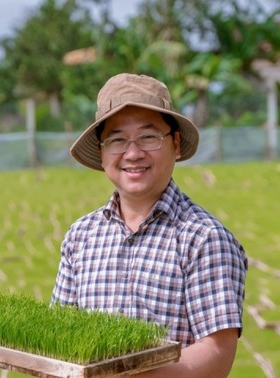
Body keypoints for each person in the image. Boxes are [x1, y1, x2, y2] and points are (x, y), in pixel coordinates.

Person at [50, 73, 248, 378]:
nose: (132, 153)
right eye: (117, 139)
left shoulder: (204, 237)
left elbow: (216, 353)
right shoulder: (81, 236)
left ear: (176, 144)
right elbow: (59, 335)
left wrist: (131, 375)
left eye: (148, 137)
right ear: (102, 154)